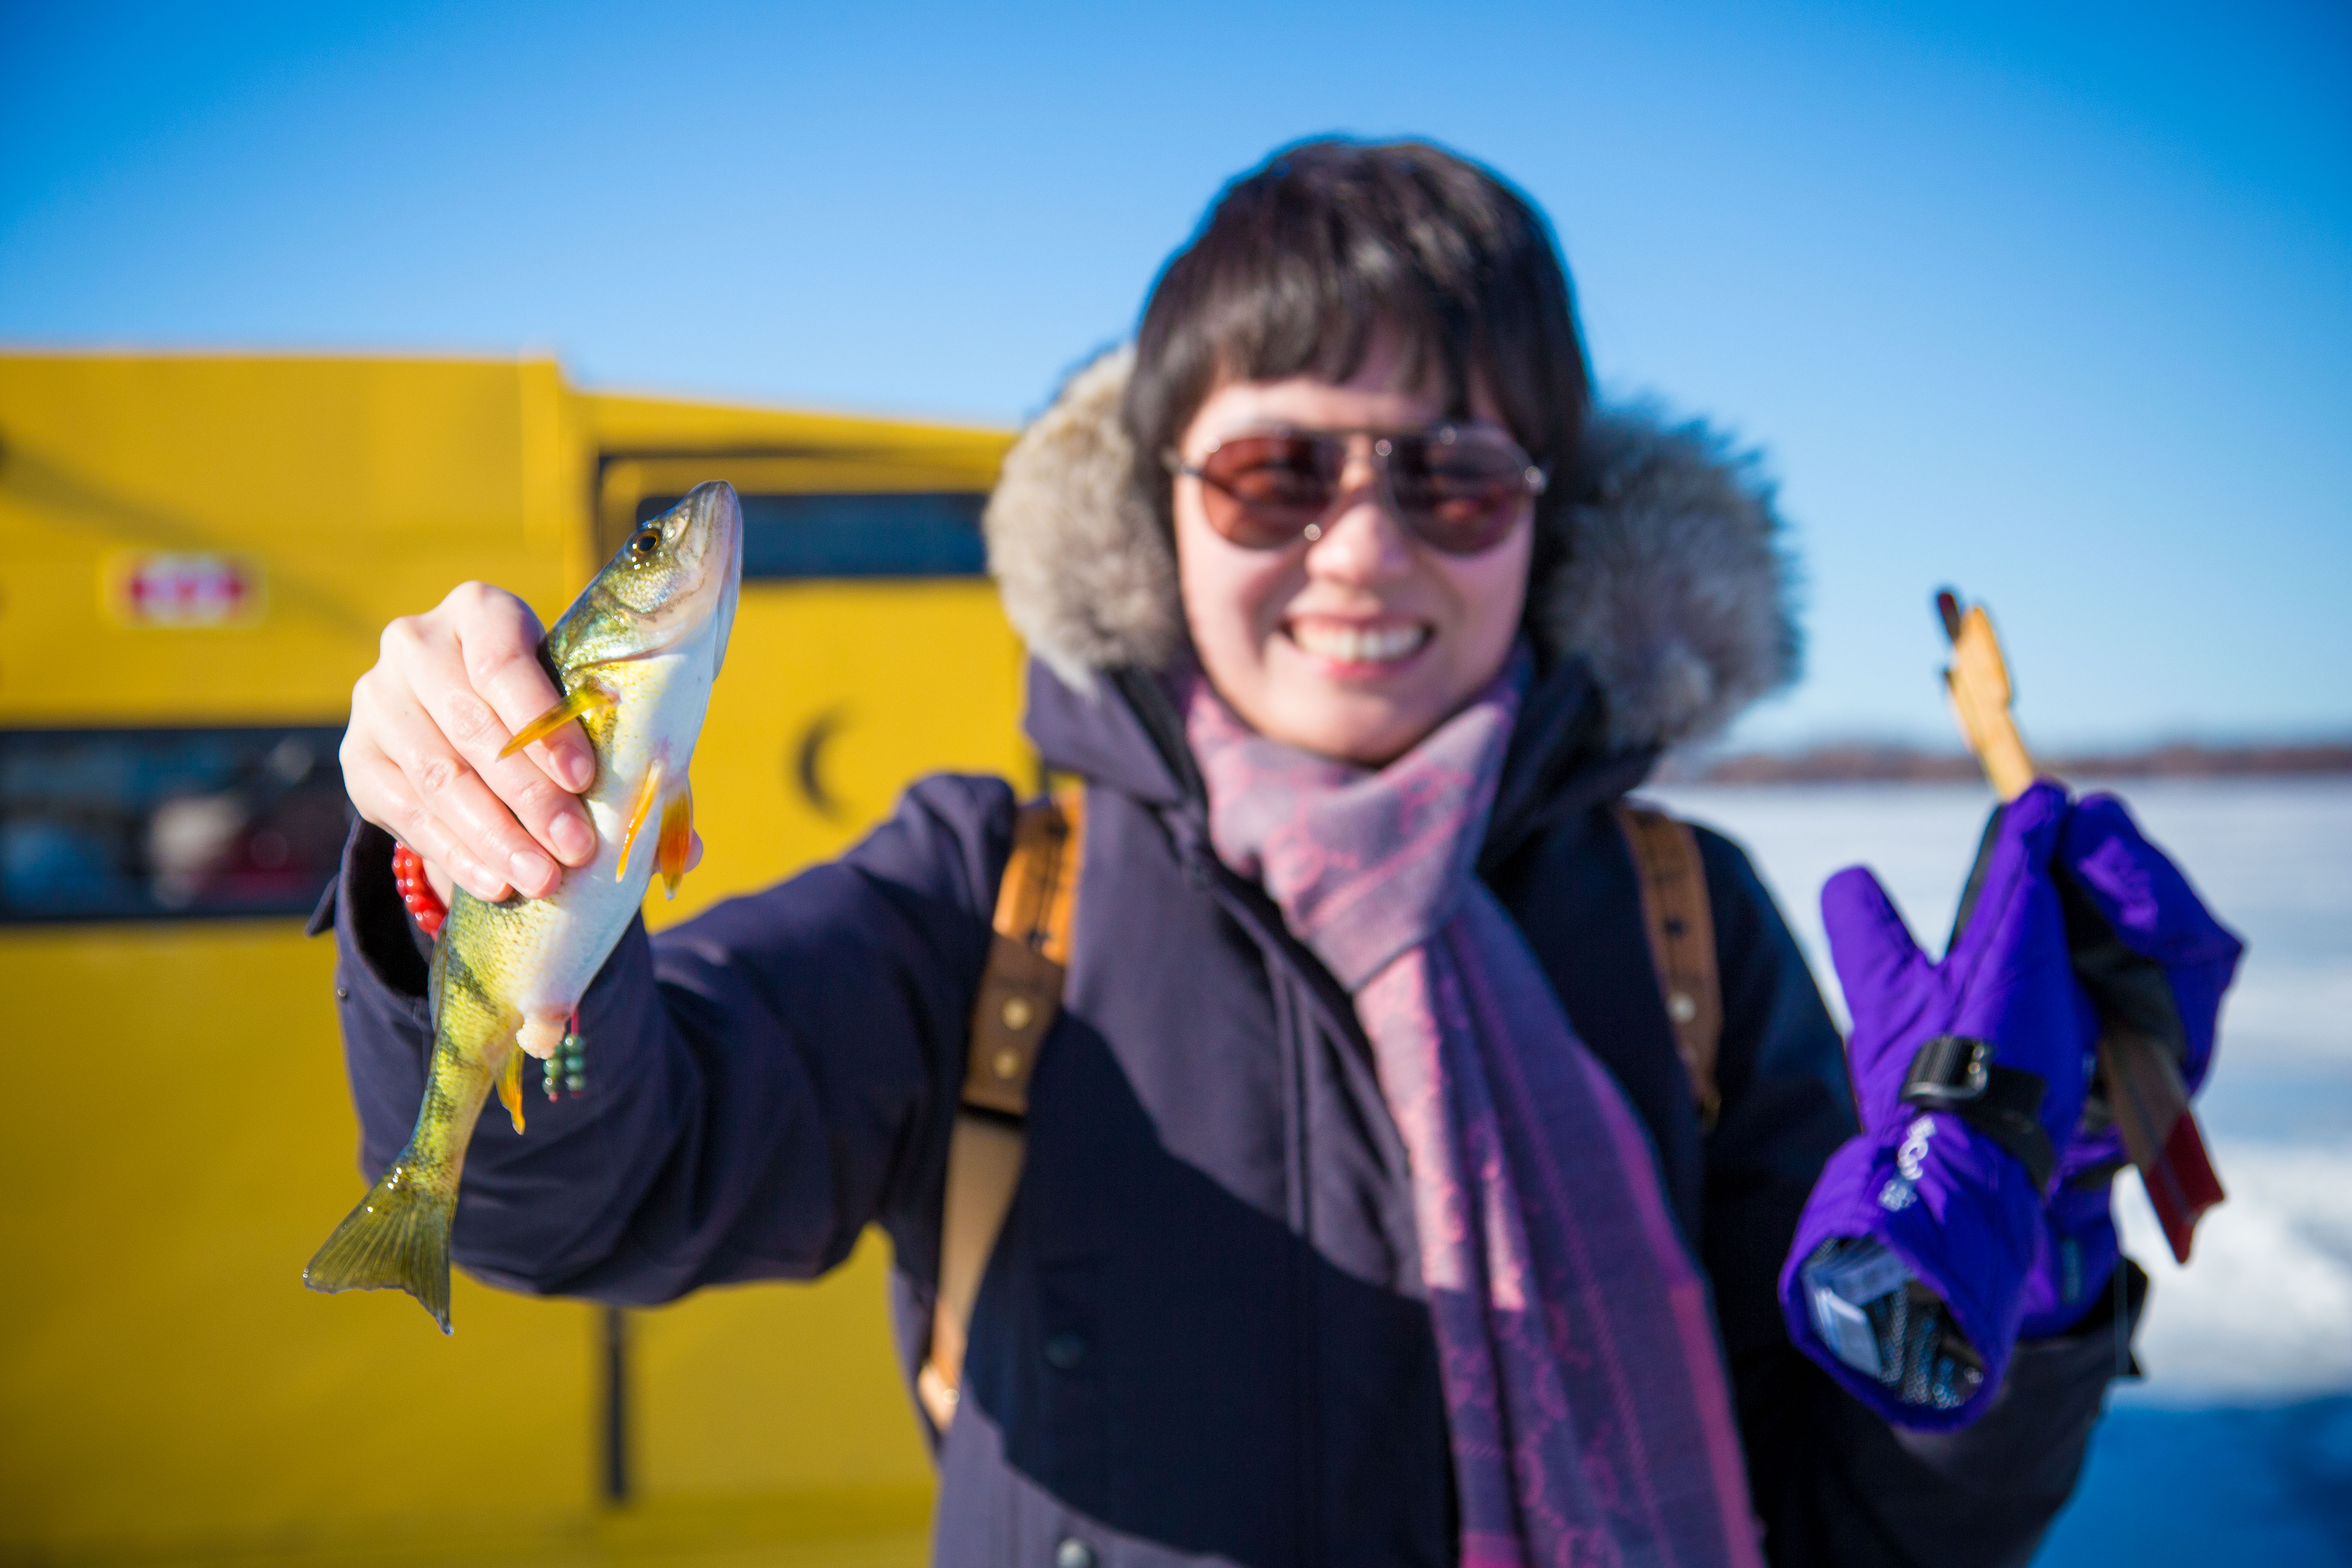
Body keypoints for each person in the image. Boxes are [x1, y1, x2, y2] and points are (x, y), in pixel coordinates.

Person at [322, 140, 2238, 1567]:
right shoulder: (990, 897)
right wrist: (464, 890)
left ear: (1549, 530)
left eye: (1454, 475)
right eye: (1275, 472)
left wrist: (2022, 1234)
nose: (1363, 549)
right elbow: (585, 1192)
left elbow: (1871, 1523)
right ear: (1160, 512)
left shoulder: (1689, 928)